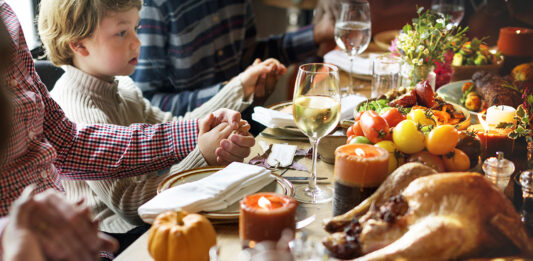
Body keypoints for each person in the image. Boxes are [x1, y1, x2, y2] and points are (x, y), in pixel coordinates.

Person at [0, 0, 253, 259]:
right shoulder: (80, 106)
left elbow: (170, 124)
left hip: (100, 235)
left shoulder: (123, 85)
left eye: (136, 28)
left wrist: (212, 118)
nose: (137, 42)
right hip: (114, 234)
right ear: (78, 44)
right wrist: (202, 154)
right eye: (122, 32)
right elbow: (128, 205)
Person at [0, 12, 116, 261]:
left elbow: (65, 141)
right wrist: (17, 240)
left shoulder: (6, 16)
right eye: (121, 32)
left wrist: (193, 137)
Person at [131, 0, 335, 117]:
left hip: (243, 132)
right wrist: (232, 91)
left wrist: (318, 34)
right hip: (189, 153)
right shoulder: (154, 7)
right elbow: (146, 104)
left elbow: (248, 57)